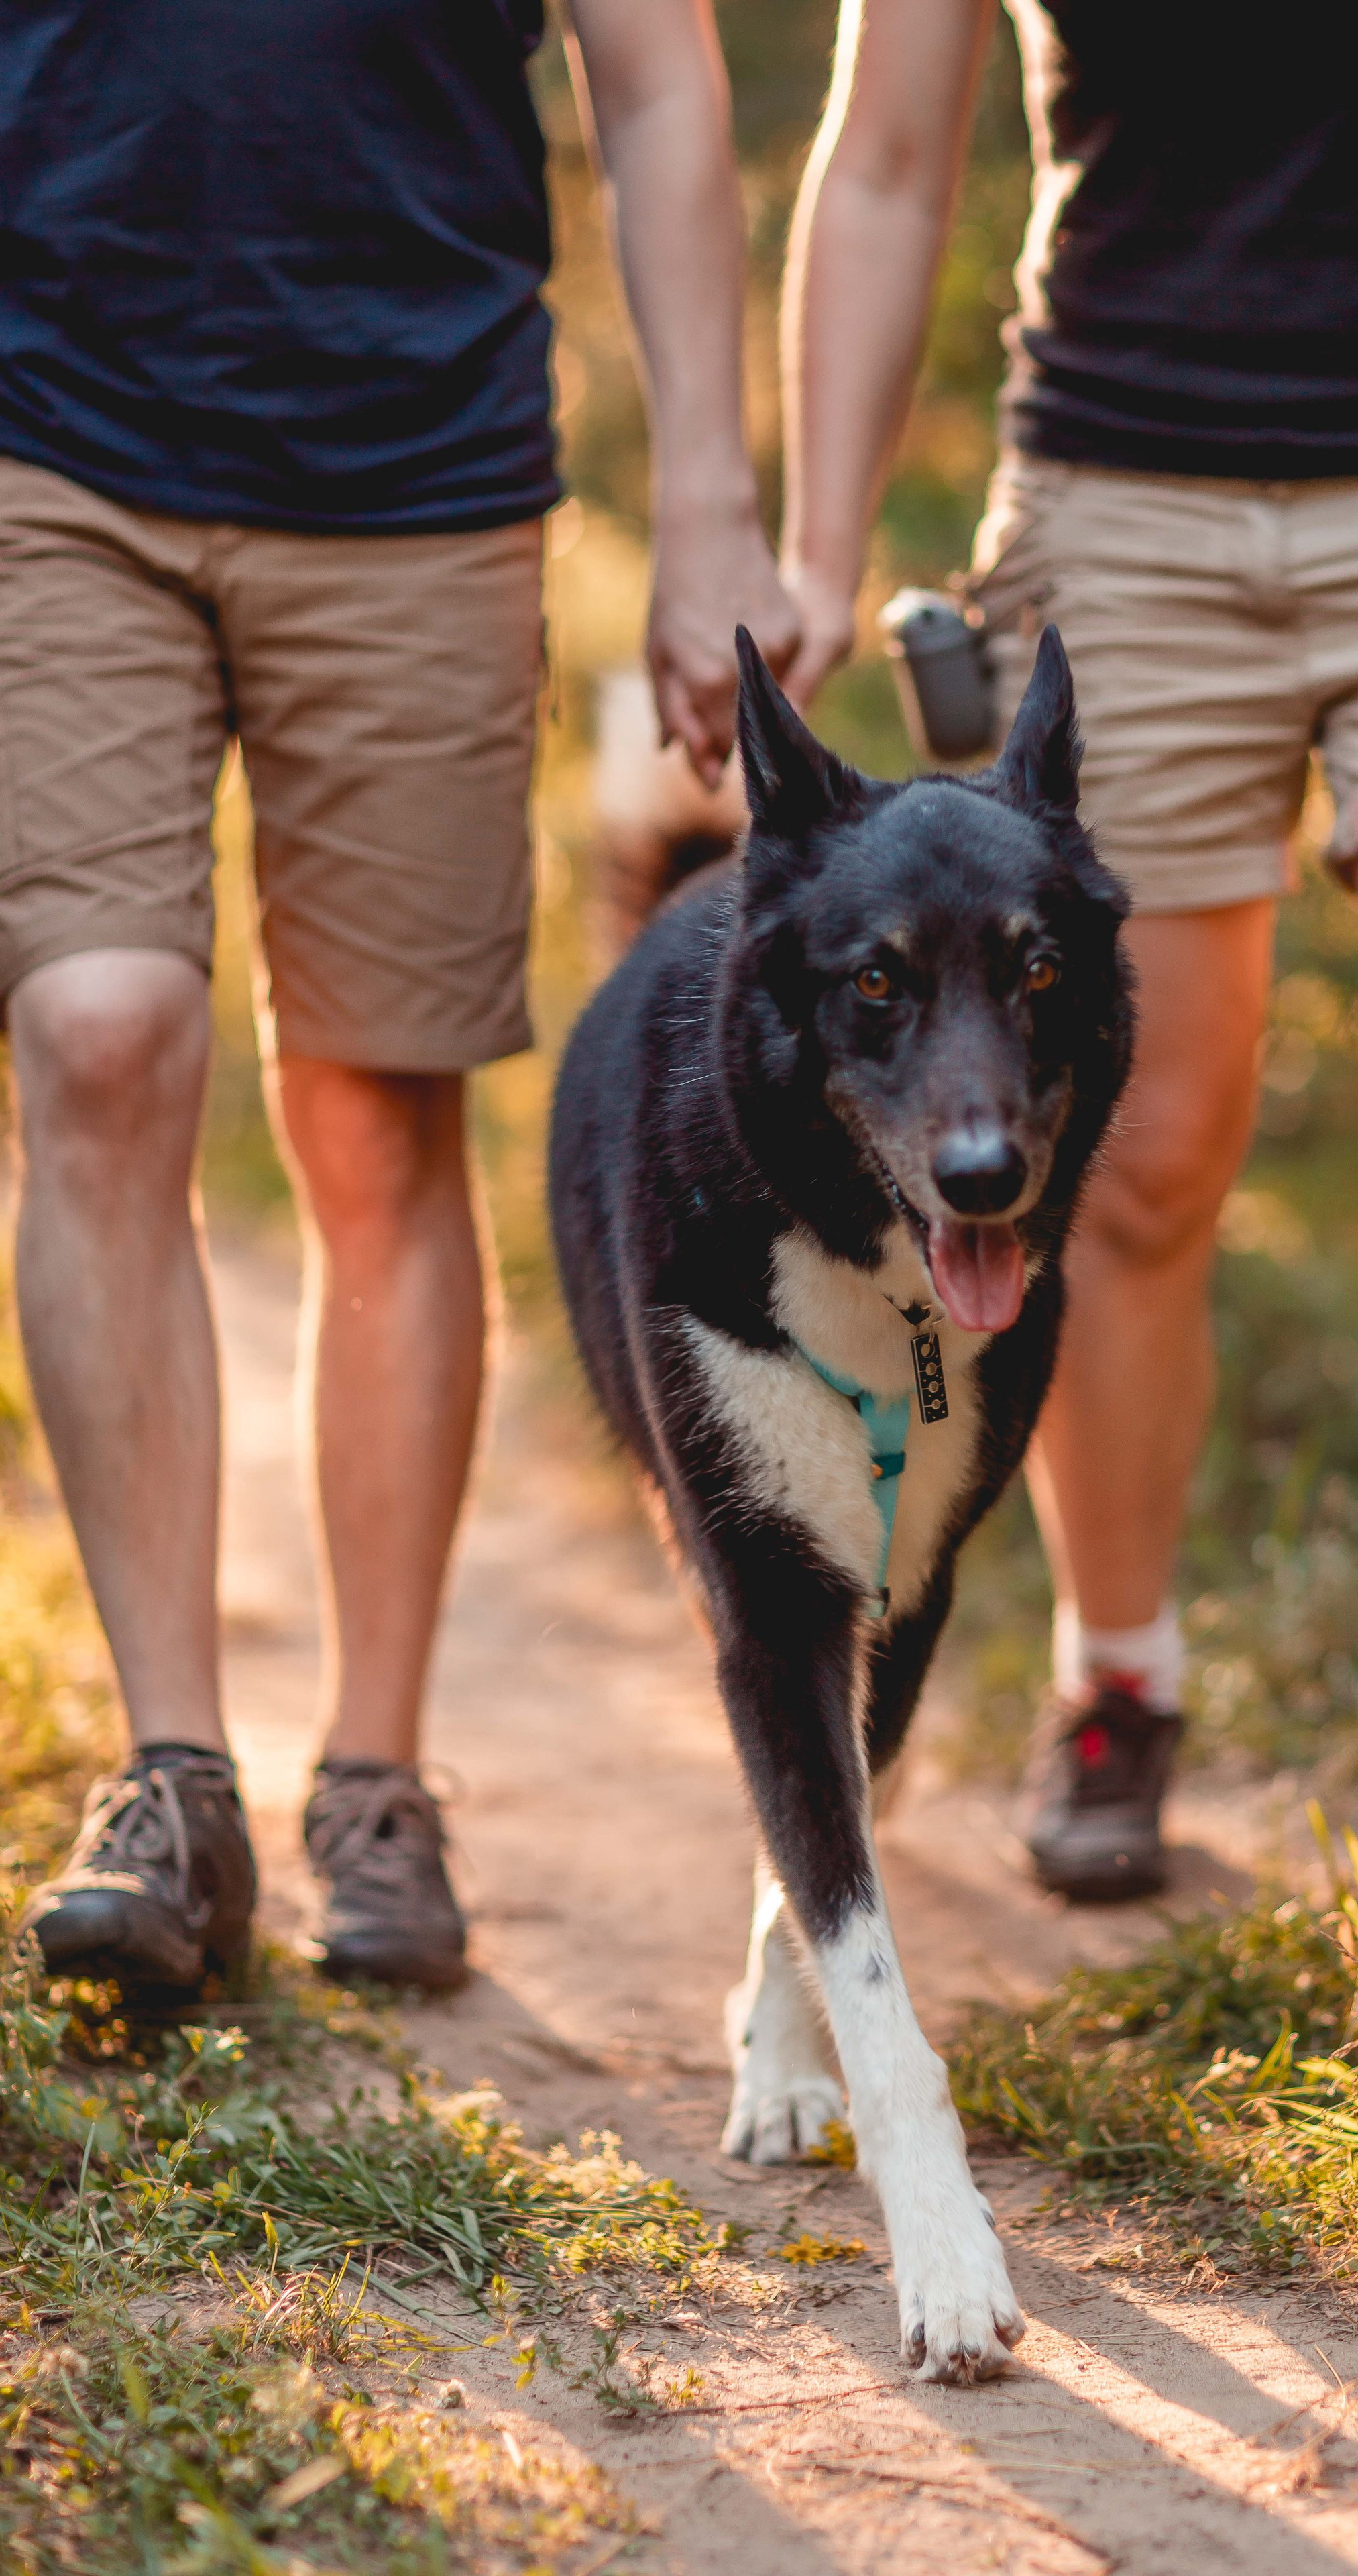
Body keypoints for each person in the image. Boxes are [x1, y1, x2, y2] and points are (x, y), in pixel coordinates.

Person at [777, 0, 1358, 1967]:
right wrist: (806, 552)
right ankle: (1117, 1679)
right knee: (1129, 1160)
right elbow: (881, 156)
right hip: (1121, 528)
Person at [7, 0, 797, 2000]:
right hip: (47, 432)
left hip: (419, 464)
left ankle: (375, 1775)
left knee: (378, 1107)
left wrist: (709, 493)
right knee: (99, 1034)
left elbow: (654, 69)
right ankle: (175, 1772)